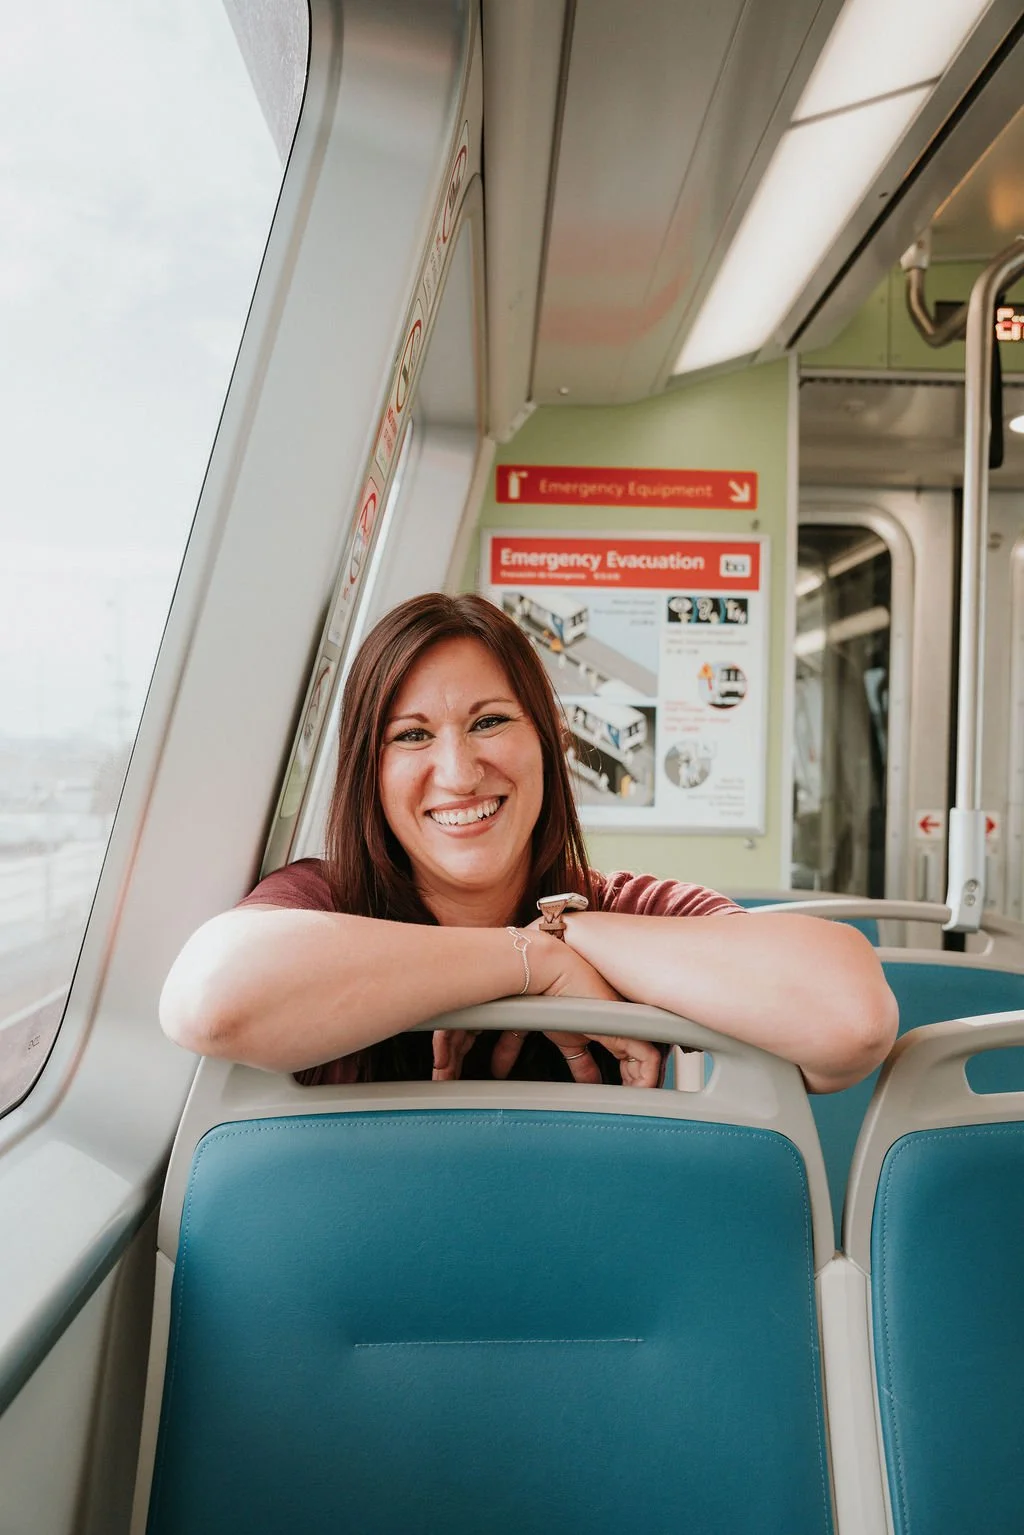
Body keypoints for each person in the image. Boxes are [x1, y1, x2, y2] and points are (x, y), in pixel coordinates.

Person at [160, 593, 898, 1092]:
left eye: (489, 722)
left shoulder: (622, 908)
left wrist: (566, 929)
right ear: (369, 770)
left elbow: (850, 1018)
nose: (458, 771)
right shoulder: (326, 902)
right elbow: (210, 1002)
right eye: (412, 736)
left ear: (547, 741)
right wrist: (528, 962)